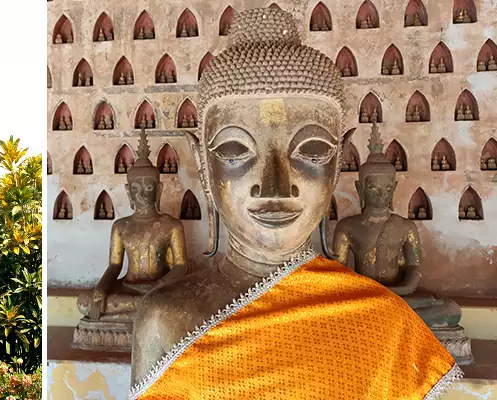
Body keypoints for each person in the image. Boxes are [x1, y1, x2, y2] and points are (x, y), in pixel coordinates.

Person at [129, 8, 458, 399]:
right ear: (203, 164)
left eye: (311, 152)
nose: (275, 186)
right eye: (235, 151)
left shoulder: (383, 322)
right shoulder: (164, 318)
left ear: (340, 163)